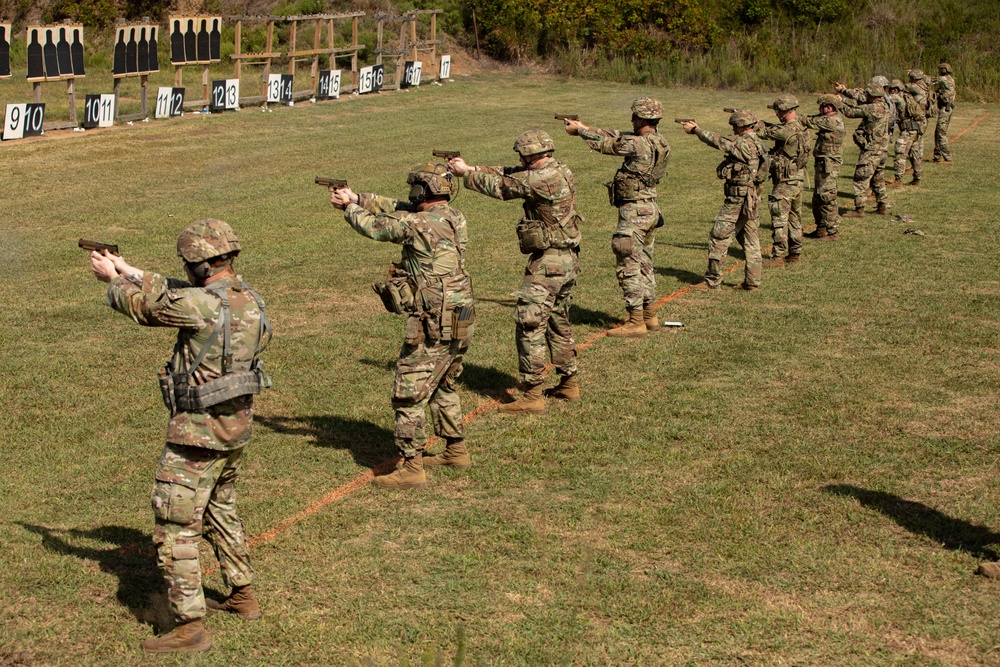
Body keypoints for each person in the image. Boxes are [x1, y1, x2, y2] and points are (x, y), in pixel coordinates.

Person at [89, 219, 272, 653]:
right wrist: (129, 268)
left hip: (197, 435)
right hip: (235, 429)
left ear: (201, 265)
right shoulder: (249, 300)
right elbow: (178, 291)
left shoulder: (198, 305)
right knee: (221, 511)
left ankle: (189, 627)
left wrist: (114, 282)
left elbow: (148, 309)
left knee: (175, 525)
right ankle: (242, 595)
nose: (185, 270)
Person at [328, 163, 475, 487]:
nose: (411, 194)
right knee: (443, 381)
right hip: (461, 313)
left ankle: (411, 467)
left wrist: (349, 207)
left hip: (434, 318)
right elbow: (397, 207)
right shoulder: (453, 216)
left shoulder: (416, 224)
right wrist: (358, 196)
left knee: (409, 391)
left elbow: (377, 227)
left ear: (422, 191)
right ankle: (456, 449)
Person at [448, 130, 582, 412]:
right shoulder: (559, 170)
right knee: (558, 320)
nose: (519, 159)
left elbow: (502, 187)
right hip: (566, 259)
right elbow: (509, 173)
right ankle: (568, 382)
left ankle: (532, 394)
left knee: (529, 322)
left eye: (522, 155)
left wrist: (465, 175)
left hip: (549, 262)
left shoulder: (540, 179)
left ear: (531, 154)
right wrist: (471, 167)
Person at [563, 98, 670, 337]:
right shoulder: (658, 141)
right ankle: (650, 316)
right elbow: (615, 134)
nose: (631, 120)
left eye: (634, 117)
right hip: (650, 208)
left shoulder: (637, 145)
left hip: (634, 212)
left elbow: (608, 144)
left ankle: (635, 322)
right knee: (645, 265)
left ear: (642, 119)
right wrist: (586, 126)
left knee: (629, 265)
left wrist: (580, 132)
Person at [679, 110, 768, 290]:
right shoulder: (759, 144)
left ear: (742, 126)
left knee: (718, 235)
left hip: (738, 198)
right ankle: (752, 281)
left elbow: (717, 141)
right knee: (750, 238)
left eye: (735, 125)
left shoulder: (742, 143)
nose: (733, 129)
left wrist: (696, 130)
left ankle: (712, 280)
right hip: (752, 196)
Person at [755, 94, 812, 266]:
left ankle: (778, 256)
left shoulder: (787, 130)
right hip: (797, 178)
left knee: (779, 217)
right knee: (795, 218)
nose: (777, 114)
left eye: (778, 110)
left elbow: (762, 132)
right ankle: (795, 253)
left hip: (785, 180)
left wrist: (756, 123)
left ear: (785, 110)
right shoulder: (802, 128)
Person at [834, 81, 891, 218]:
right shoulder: (884, 106)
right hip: (882, 149)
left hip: (872, 150)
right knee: (878, 178)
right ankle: (882, 205)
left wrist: (837, 102)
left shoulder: (872, 108)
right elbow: (860, 105)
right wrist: (844, 96)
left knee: (861, 178)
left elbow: (851, 112)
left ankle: (859, 209)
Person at [801, 94, 845, 239]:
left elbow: (809, 121)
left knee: (827, 197)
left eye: (822, 106)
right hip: (822, 163)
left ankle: (832, 231)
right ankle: (821, 228)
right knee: (818, 197)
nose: (820, 109)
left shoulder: (832, 121)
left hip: (829, 164)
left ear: (828, 107)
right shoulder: (829, 120)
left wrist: (793, 116)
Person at [887, 79, 923, 187]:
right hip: (915, 129)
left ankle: (898, 180)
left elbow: (885, 98)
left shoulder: (898, 97)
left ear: (896, 89)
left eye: (892, 89)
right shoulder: (908, 97)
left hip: (907, 130)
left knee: (900, 154)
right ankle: (917, 178)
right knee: (914, 154)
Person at [905, 69, 933, 183]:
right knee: (919, 140)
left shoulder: (915, 87)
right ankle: (917, 164)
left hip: (919, 118)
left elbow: (902, 87)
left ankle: (916, 165)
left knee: (916, 142)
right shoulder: (925, 84)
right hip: (924, 117)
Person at [932, 62, 956, 163]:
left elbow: (933, 80)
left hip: (945, 109)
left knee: (941, 132)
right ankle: (937, 155)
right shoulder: (950, 79)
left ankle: (947, 156)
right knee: (938, 132)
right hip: (947, 108)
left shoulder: (944, 79)